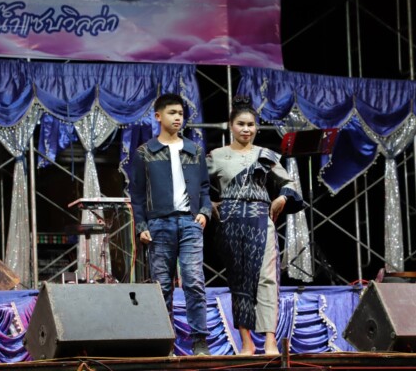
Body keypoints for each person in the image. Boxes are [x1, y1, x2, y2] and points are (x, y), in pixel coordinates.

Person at [207, 95, 304, 355]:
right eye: (241, 124)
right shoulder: (216, 156)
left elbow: (289, 183)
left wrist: (282, 198)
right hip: (231, 223)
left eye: (251, 124)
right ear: (231, 125)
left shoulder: (265, 154)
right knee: (239, 281)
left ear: (256, 127)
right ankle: (246, 342)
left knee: (267, 279)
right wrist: (210, 204)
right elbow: (197, 186)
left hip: (261, 220)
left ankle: (270, 341)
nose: (246, 129)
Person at [129, 93, 212, 356]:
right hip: (159, 224)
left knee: (194, 281)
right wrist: (141, 225)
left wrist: (205, 212)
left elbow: (205, 187)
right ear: (158, 116)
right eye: (172, 113)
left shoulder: (194, 150)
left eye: (181, 114)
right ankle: (165, 343)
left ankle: (199, 341)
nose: (178, 118)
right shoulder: (144, 153)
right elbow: (137, 195)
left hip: (189, 222)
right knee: (162, 285)